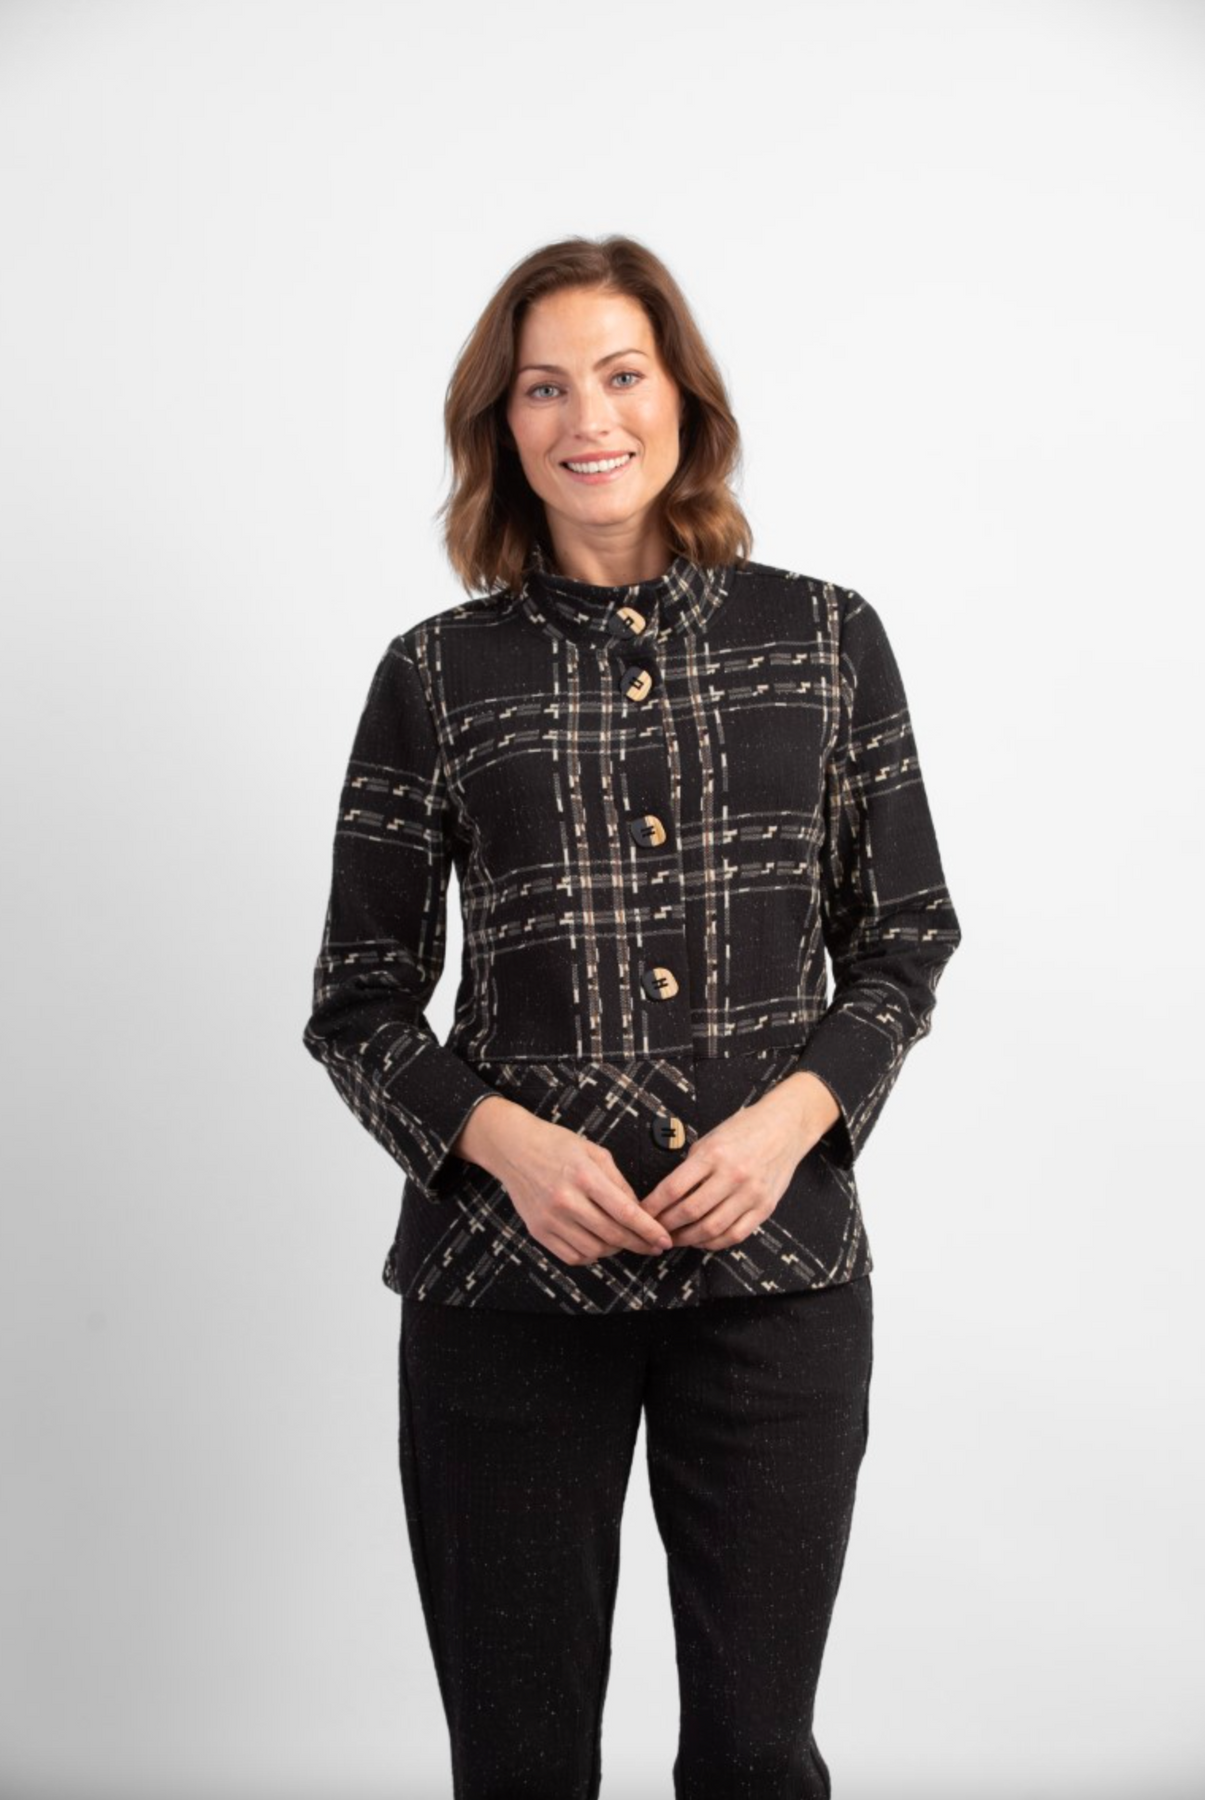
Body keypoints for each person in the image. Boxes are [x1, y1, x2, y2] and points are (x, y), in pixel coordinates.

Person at [301, 233, 962, 1799]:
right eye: (544, 387)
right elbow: (359, 1000)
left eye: (621, 374)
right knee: (521, 1763)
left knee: (754, 1756)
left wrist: (789, 1123)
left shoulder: (827, 637)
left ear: (683, 401)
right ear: (502, 425)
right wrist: (506, 1145)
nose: (587, 418)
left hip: (777, 1274)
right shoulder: (436, 675)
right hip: (503, 1287)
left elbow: (905, 938)